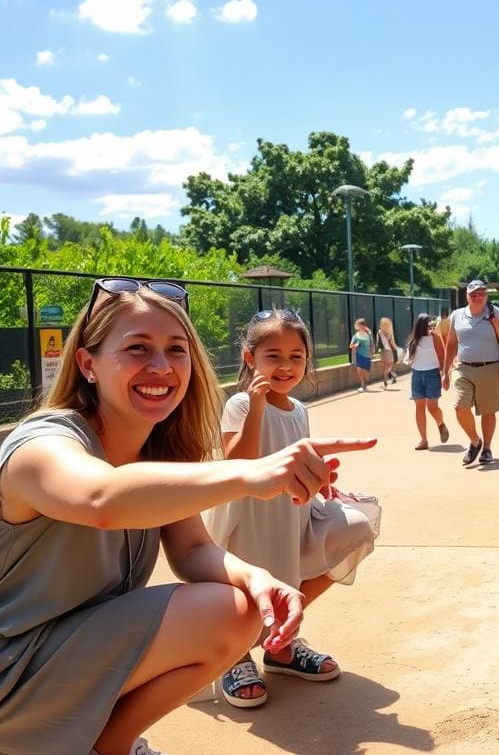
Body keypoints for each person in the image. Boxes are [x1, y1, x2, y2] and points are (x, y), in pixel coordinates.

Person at [0, 278, 373, 755]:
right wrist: (248, 473)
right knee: (220, 611)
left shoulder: (159, 451)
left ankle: (110, 745)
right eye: (137, 348)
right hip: (14, 672)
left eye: (176, 350)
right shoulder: (43, 443)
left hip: (67, 655)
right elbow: (101, 499)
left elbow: (194, 549)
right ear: (88, 364)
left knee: (238, 610)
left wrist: (256, 578)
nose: (161, 366)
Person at [204, 308, 379, 708]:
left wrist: (322, 480)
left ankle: (280, 642)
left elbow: (301, 460)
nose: (285, 366)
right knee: (247, 583)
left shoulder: (299, 409)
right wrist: (256, 407)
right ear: (250, 358)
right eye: (273, 356)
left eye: (295, 357)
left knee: (355, 529)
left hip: (291, 511)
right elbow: (239, 462)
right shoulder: (241, 404)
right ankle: (235, 655)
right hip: (249, 514)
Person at [441, 279, 499, 466]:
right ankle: (475, 441)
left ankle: (487, 449)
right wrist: (445, 371)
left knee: (488, 411)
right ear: (466, 296)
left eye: (481, 293)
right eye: (473, 294)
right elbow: (451, 344)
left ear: (486, 296)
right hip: (463, 368)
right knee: (460, 406)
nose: (477, 297)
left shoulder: (495, 313)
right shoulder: (457, 315)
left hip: (490, 367)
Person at [405, 313, 450, 450]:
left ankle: (441, 424)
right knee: (419, 407)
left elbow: (443, 356)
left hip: (433, 374)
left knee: (432, 407)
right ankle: (423, 440)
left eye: (432, 325)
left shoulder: (435, 337)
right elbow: (408, 358)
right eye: (428, 325)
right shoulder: (414, 340)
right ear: (421, 326)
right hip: (417, 375)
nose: (431, 327)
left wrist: (445, 375)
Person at [349, 318, 373, 392]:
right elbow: (350, 346)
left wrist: (372, 352)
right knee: (359, 370)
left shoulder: (368, 334)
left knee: (366, 373)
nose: (355, 325)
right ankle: (363, 385)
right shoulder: (355, 336)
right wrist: (355, 345)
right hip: (359, 355)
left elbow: (372, 343)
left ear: (361, 325)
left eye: (357, 324)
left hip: (367, 355)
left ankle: (365, 383)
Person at [377, 316, 399, 388]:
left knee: (388, 366)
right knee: (385, 367)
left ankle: (386, 379)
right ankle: (391, 376)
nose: (383, 325)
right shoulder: (380, 332)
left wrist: (398, 349)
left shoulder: (390, 333)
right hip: (384, 351)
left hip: (389, 351)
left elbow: (393, 343)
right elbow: (378, 342)